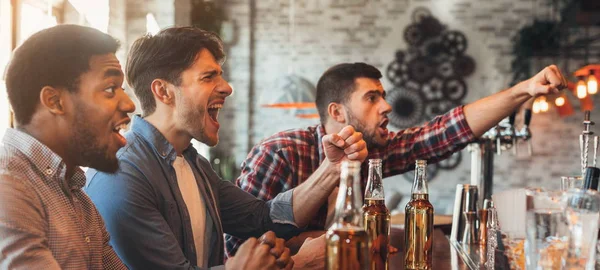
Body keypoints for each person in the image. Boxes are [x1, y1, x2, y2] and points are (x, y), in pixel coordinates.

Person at [84, 26, 365, 270]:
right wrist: (297, 264)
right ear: (163, 91)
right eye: (208, 77)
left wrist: (332, 168)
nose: (227, 88)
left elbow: (264, 218)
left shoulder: (194, 163)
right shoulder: (122, 173)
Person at [225, 62, 568, 255]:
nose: (387, 106)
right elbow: (237, 247)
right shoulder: (281, 151)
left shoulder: (372, 152)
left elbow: (444, 133)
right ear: (337, 112)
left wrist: (524, 89)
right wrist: (310, 242)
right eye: (372, 97)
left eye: (384, 96)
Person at [0, 24, 134, 269]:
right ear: (55, 101)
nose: (128, 104)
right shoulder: (8, 188)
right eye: (110, 89)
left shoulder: (77, 196)